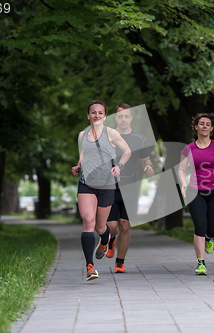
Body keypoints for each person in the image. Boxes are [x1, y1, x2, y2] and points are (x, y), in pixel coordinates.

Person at [72, 100, 131, 281]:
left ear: (105, 116)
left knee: (100, 226)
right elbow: (84, 152)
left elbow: (127, 151)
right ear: (88, 115)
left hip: (106, 184)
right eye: (93, 112)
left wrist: (119, 166)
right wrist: (79, 165)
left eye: (100, 113)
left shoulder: (111, 133)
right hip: (87, 183)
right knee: (88, 221)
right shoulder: (82, 135)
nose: (96, 115)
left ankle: (105, 240)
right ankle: (90, 267)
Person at [98, 103, 154, 273]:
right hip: (110, 188)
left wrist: (149, 165)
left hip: (131, 188)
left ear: (131, 118)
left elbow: (145, 158)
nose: (123, 119)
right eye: (120, 116)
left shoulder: (139, 139)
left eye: (126, 116)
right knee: (113, 226)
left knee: (125, 225)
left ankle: (120, 262)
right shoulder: (106, 136)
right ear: (115, 117)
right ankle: (111, 238)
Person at [178, 112, 214, 275]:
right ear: (196, 127)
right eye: (201, 123)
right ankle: (201, 262)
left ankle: (210, 238)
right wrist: (183, 182)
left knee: (212, 228)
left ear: (211, 128)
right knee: (200, 226)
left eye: (207, 124)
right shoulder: (188, 149)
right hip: (195, 191)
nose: (204, 126)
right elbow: (181, 170)